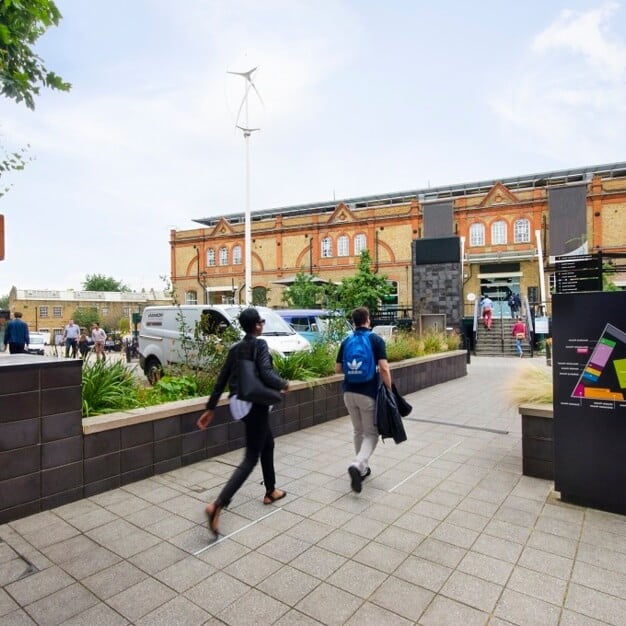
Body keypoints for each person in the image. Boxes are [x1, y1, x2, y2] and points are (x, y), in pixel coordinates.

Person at [196, 307, 290, 538]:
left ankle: (270, 491)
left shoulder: (236, 349)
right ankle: (217, 505)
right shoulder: (259, 345)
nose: (262, 325)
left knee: (267, 443)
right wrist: (283, 384)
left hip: (238, 402)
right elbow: (267, 374)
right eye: (261, 322)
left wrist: (210, 408)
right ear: (256, 325)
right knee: (250, 458)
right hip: (254, 401)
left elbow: (221, 380)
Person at [335, 306, 392, 494]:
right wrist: (389, 389)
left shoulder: (346, 341)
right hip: (367, 393)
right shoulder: (375, 339)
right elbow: (384, 368)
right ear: (367, 320)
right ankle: (358, 463)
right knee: (371, 433)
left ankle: (362, 469)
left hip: (348, 393)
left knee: (358, 431)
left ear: (353, 321)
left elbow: (338, 369)